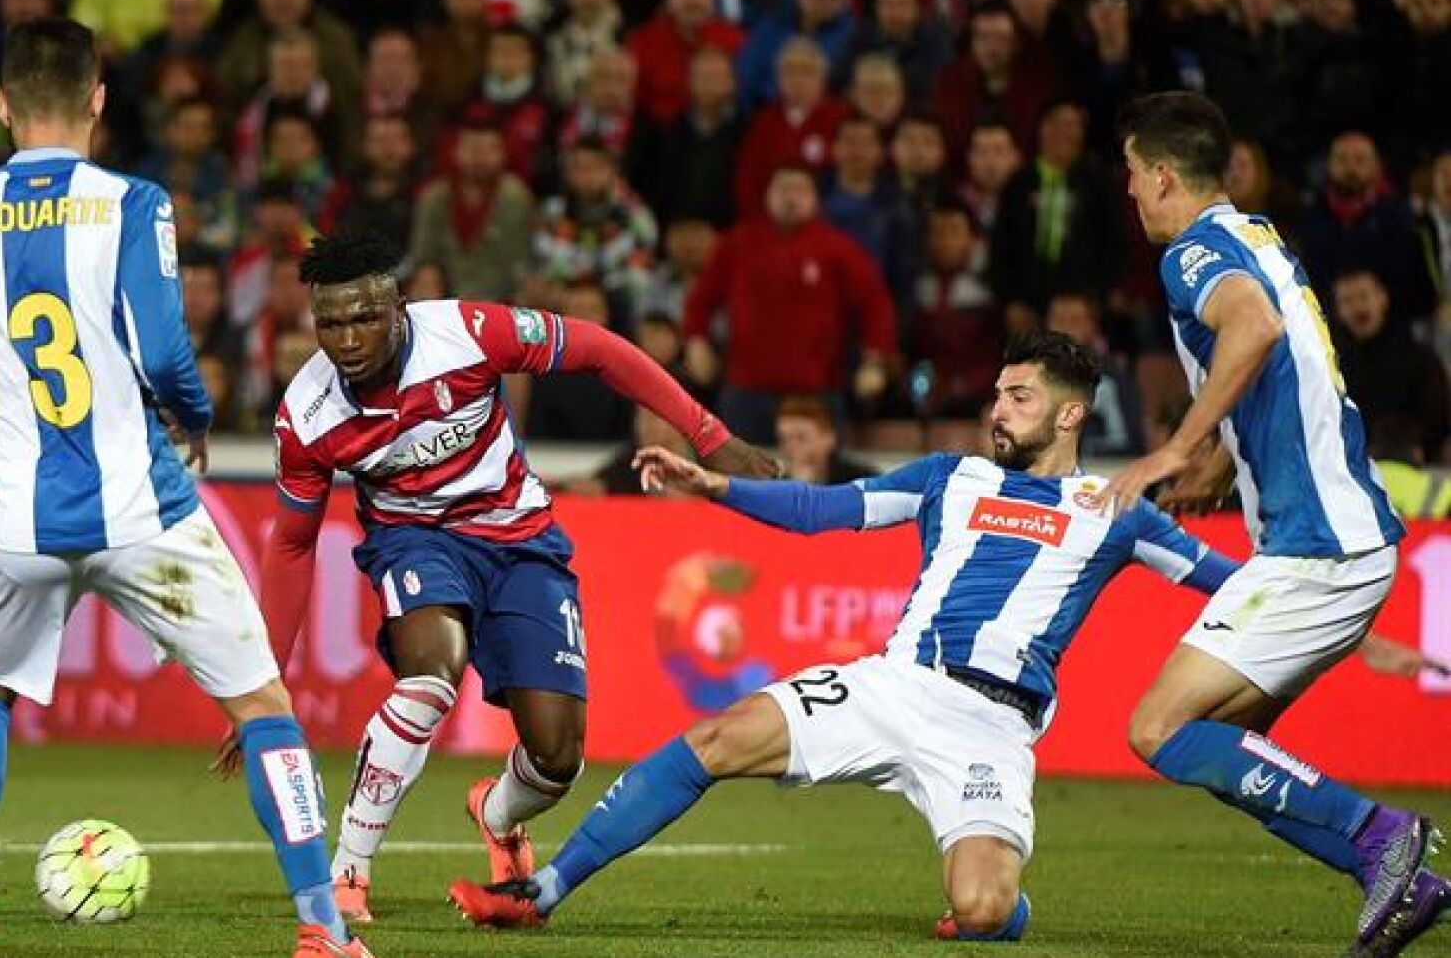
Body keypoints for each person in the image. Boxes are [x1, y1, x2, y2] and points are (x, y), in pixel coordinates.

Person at [449, 331, 1233, 942]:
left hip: (992, 726)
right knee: (720, 735)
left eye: (1020, 397)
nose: (999, 409)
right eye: (998, 393)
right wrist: (715, 485)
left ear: (1069, 414)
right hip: (895, 684)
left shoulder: (1119, 509)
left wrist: (1331, 570)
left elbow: (1230, 583)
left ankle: (1001, 910)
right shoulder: (948, 477)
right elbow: (822, 511)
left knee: (984, 910)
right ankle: (543, 890)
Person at [0, 19, 372, 958]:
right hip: (144, 507)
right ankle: (322, 930)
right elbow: (162, 348)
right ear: (99, 98)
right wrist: (190, 419)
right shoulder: (132, 202)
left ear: (0, 105)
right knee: (262, 707)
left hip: (15, 516)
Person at [260, 229, 781, 924]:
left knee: (558, 756)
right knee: (428, 679)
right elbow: (293, 545)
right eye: (330, 322)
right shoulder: (307, 414)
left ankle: (497, 810)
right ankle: (348, 870)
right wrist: (265, 683)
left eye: (364, 317)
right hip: (413, 540)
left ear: (400, 307)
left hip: (518, 537)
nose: (348, 339)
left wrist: (711, 435)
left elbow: (600, 349)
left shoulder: (472, 333)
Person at [1100, 92, 1441, 958]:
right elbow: (1275, 370)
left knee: (1157, 727)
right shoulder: (1259, 237)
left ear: (1165, 174)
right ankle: (1394, 873)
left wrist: (1175, 447)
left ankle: (1383, 836)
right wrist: (1221, 466)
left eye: (1134, 174)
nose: (1130, 192)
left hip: (1315, 550)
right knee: (1218, 742)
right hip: (1347, 539)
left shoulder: (1194, 253)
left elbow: (1249, 329)